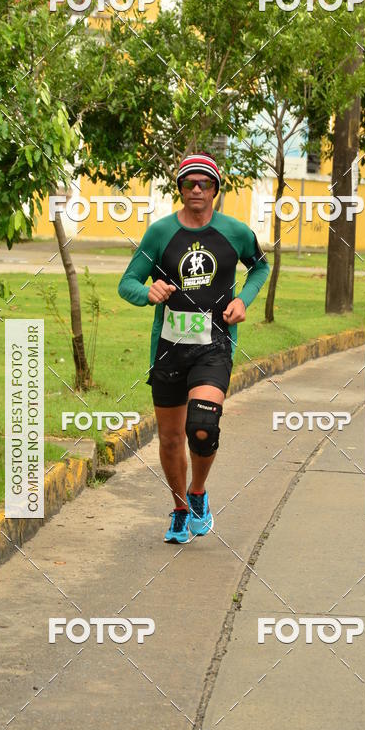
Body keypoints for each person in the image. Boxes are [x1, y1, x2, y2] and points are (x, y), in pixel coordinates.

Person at [117, 152, 270, 543]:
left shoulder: (235, 232)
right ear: (180, 189)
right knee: (171, 439)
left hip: (214, 346)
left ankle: (198, 491)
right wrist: (147, 292)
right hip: (169, 349)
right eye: (189, 183)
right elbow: (127, 282)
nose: (196, 189)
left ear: (215, 189)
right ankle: (181, 509)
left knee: (202, 427)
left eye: (204, 183)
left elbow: (260, 267)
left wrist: (244, 300)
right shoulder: (160, 233)